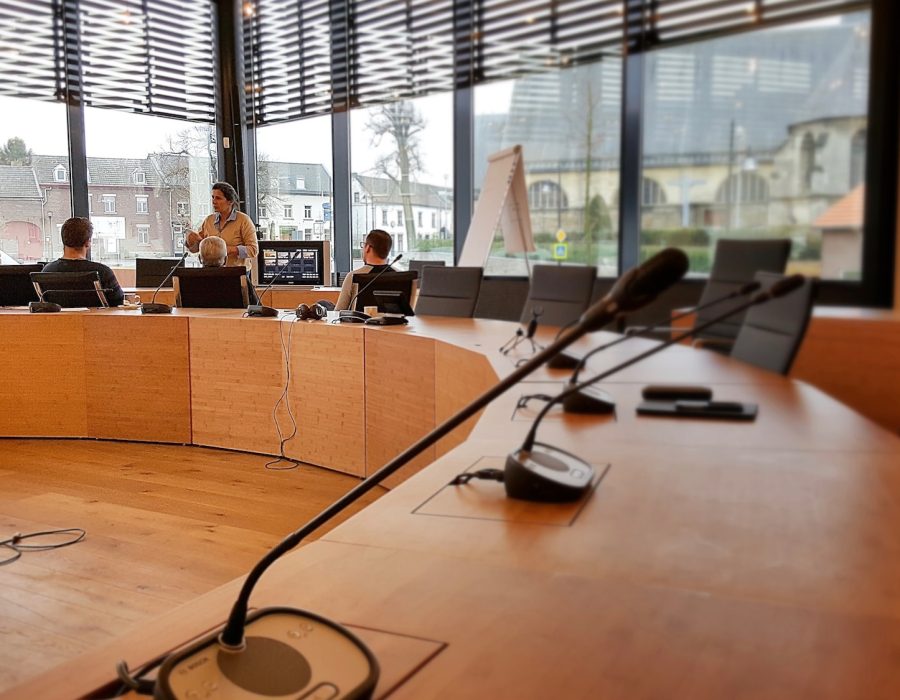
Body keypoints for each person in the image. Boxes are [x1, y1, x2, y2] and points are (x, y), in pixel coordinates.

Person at [41, 217, 125, 306]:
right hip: (96, 315)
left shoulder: (47, 272)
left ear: (63, 240)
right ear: (88, 242)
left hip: (59, 316)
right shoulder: (103, 272)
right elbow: (118, 302)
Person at [186, 182, 258, 271]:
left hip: (235, 273)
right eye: (213, 197)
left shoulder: (243, 220)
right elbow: (197, 249)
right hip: (210, 272)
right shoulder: (209, 220)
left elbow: (253, 250)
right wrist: (190, 242)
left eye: (218, 198)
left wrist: (227, 250)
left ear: (230, 201)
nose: (214, 201)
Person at [335, 229, 395, 311]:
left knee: (324, 304)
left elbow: (339, 311)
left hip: (359, 319)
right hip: (392, 319)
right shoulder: (401, 276)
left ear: (368, 248)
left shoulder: (353, 276)